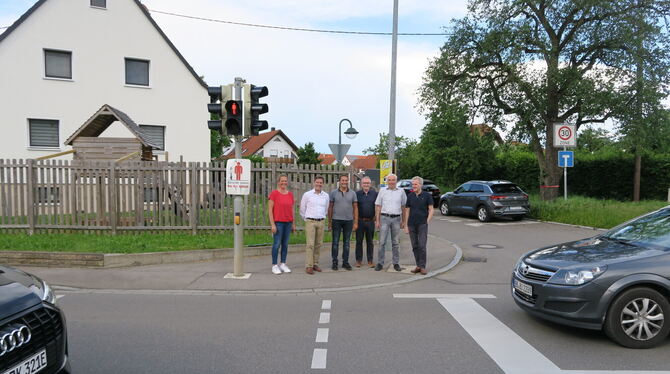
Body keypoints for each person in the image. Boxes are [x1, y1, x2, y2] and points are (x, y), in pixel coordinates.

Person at [374, 174, 407, 272]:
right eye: (389, 180)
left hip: (396, 219)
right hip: (384, 218)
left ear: (396, 181)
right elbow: (378, 206)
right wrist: (378, 220)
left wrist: (404, 221)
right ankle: (380, 263)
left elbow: (404, 207)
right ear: (387, 181)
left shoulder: (401, 191)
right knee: (382, 242)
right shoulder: (382, 191)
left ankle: (396, 263)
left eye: (393, 180)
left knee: (395, 242)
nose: (391, 182)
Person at [403, 176, 434, 275]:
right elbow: (407, 211)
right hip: (411, 224)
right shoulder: (410, 196)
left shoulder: (427, 196)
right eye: (413, 184)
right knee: (415, 246)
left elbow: (431, 209)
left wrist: (427, 221)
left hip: (422, 224)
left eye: (415, 184)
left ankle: (423, 266)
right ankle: (418, 265)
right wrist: (406, 225)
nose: (413, 186)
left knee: (422, 245)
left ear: (420, 185)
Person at [300, 176, 329, 274]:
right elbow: (302, 209)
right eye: (317, 182)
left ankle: (315, 264)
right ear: (314, 183)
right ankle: (309, 265)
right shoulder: (307, 195)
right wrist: (307, 219)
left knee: (318, 244)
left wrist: (321, 217)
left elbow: (326, 209)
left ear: (323, 184)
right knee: (310, 244)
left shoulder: (326, 196)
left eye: (321, 183)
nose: (319, 184)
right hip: (310, 222)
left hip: (321, 221)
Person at [328, 174, 358, 270]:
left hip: (348, 221)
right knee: (335, 242)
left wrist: (355, 222)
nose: (344, 182)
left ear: (348, 181)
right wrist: (329, 222)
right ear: (339, 181)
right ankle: (335, 262)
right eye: (343, 180)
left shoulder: (353, 193)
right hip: (336, 220)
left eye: (346, 180)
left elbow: (355, 208)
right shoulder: (333, 193)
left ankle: (345, 262)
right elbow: (330, 207)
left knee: (347, 243)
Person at [268, 175, 295, 275]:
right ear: (278, 182)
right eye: (282, 181)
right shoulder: (274, 194)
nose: (284, 183)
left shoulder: (290, 195)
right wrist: (272, 224)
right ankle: (274, 265)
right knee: (276, 244)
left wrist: (293, 223)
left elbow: (291, 210)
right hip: (278, 223)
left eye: (285, 181)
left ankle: (283, 263)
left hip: (288, 223)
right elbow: (270, 210)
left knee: (285, 244)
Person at [355, 176, 378, 268]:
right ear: (361, 184)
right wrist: (355, 221)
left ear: (370, 184)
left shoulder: (375, 194)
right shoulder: (357, 194)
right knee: (359, 241)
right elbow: (354, 207)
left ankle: (370, 260)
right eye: (364, 183)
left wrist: (377, 218)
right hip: (360, 221)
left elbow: (377, 206)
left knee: (370, 241)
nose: (366, 185)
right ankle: (358, 260)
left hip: (370, 221)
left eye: (367, 183)